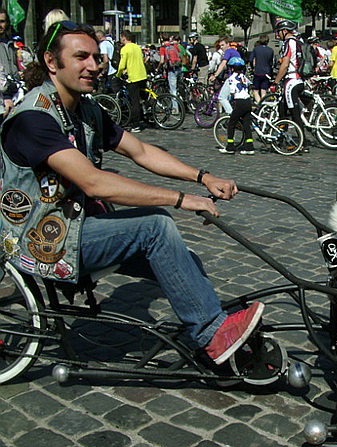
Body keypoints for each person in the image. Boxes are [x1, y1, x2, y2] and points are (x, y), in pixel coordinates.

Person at [0, 21, 264, 366]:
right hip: (42, 242)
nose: (93, 66)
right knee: (154, 226)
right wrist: (182, 199)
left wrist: (203, 177)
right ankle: (212, 334)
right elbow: (94, 183)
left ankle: (215, 330)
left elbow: (140, 150)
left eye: (96, 57)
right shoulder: (34, 119)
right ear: (52, 62)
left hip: (77, 228)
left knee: (185, 261)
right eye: (81, 57)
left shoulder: (85, 110)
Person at [273, 19, 308, 152]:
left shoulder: (289, 43)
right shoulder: (298, 42)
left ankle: (303, 143)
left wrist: (276, 81)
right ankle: (282, 138)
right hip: (298, 80)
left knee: (294, 113)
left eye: (278, 32)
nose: (277, 34)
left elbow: (285, 64)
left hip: (291, 81)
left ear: (284, 31)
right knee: (282, 110)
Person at [219, 57, 254, 155]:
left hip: (240, 103)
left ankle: (230, 146)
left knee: (231, 123)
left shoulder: (231, 78)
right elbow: (250, 85)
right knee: (247, 124)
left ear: (232, 68)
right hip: (247, 101)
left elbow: (232, 92)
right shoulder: (243, 77)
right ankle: (249, 147)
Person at [116, 29, 148, 133]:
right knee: (142, 98)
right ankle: (145, 116)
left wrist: (118, 74)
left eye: (121, 38)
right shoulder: (137, 47)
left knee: (134, 102)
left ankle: (136, 125)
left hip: (133, 77)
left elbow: (122, 65)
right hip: (142, 75)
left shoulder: (125, 49)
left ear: (123, 38)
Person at [211, 36, 241, 114]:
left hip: (233, 77)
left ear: (228, 44)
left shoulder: (228, 51)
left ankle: (231, 114)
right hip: (239, 76)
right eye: (220, 45)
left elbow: (223, 64)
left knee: (221, 97)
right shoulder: (234, 51)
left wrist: (215, 75)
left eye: (223, 45)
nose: (221, 47)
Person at [0, 9, 19, 121]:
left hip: (16, 92)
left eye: (2, 21)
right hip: (3, 97)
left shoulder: (10, 42)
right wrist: (6, 96)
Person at [248, 34, 274, 102]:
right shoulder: (270, 50)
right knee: (263, 90)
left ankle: (259, 104)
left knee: (255, 90)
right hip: (266, 72)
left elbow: (250, 59)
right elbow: (271, 63)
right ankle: (264, 104)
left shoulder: (256, 49)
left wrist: (252, 67)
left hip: (258, 72)